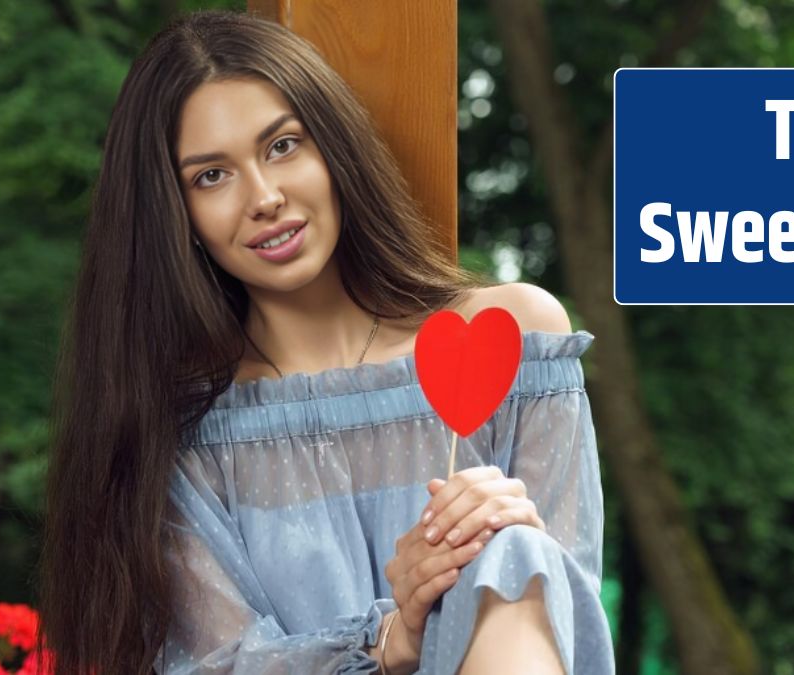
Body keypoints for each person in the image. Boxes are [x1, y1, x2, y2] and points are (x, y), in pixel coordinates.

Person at [37, 9, 614, 675]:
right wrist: (394, 635)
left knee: (515, 551)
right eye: (211, 176)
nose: (265, 196)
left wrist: (493, 546)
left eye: (282, 146)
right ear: (177, 214)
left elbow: (566, 602)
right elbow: (214, 667)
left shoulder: (517, 338)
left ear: (332, 148)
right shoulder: (181, 428)